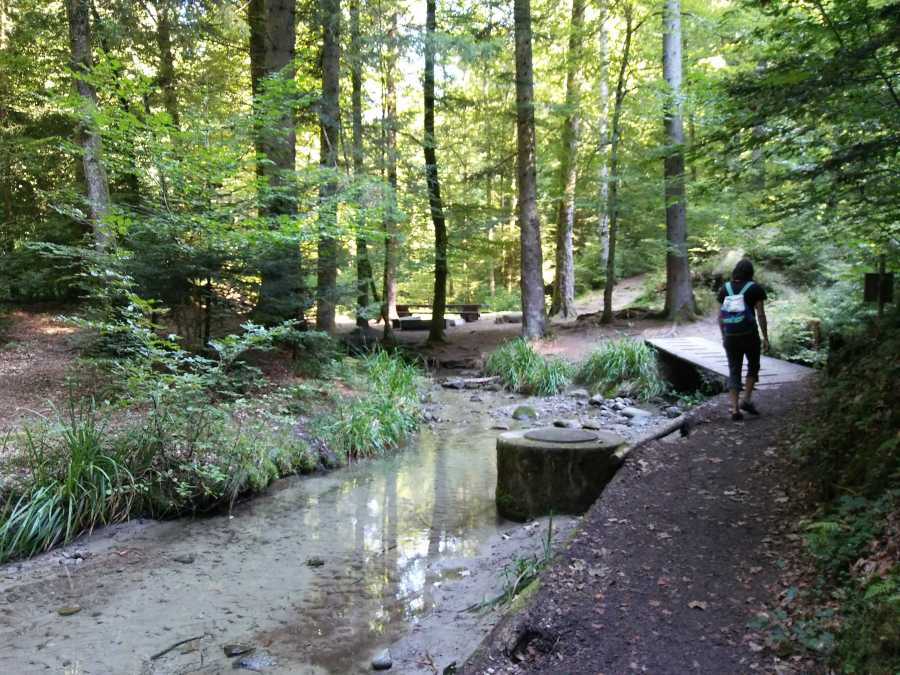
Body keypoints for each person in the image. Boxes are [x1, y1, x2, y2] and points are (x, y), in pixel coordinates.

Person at [717, 258, 769, 421]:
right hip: (749, 335)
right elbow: (760, 314)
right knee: (753, 365)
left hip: (731, 336)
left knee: (734, 369)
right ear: (750, 272)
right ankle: (746, 399)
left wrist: (724, 335)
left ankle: (734, 409)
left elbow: (720, 316)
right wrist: (765, 337)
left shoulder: (725, 289)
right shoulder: (755, 289)